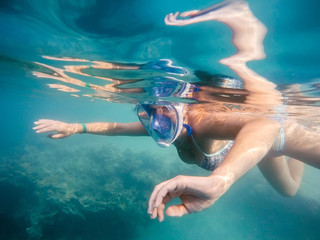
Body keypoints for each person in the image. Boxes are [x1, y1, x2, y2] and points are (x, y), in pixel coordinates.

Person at [33, 0, 319, 222]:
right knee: (289, 188)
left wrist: (221, 180)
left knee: (279, 139)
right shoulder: (163, 123)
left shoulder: (201, 121)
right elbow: (117, 127)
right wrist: (75, 128)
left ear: (180, 103)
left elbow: (265, 126)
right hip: (259, 145)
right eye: (148, 111)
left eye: (162, 109)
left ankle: (243, 29)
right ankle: (298, 128)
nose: (154, 121)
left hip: (261, 139)